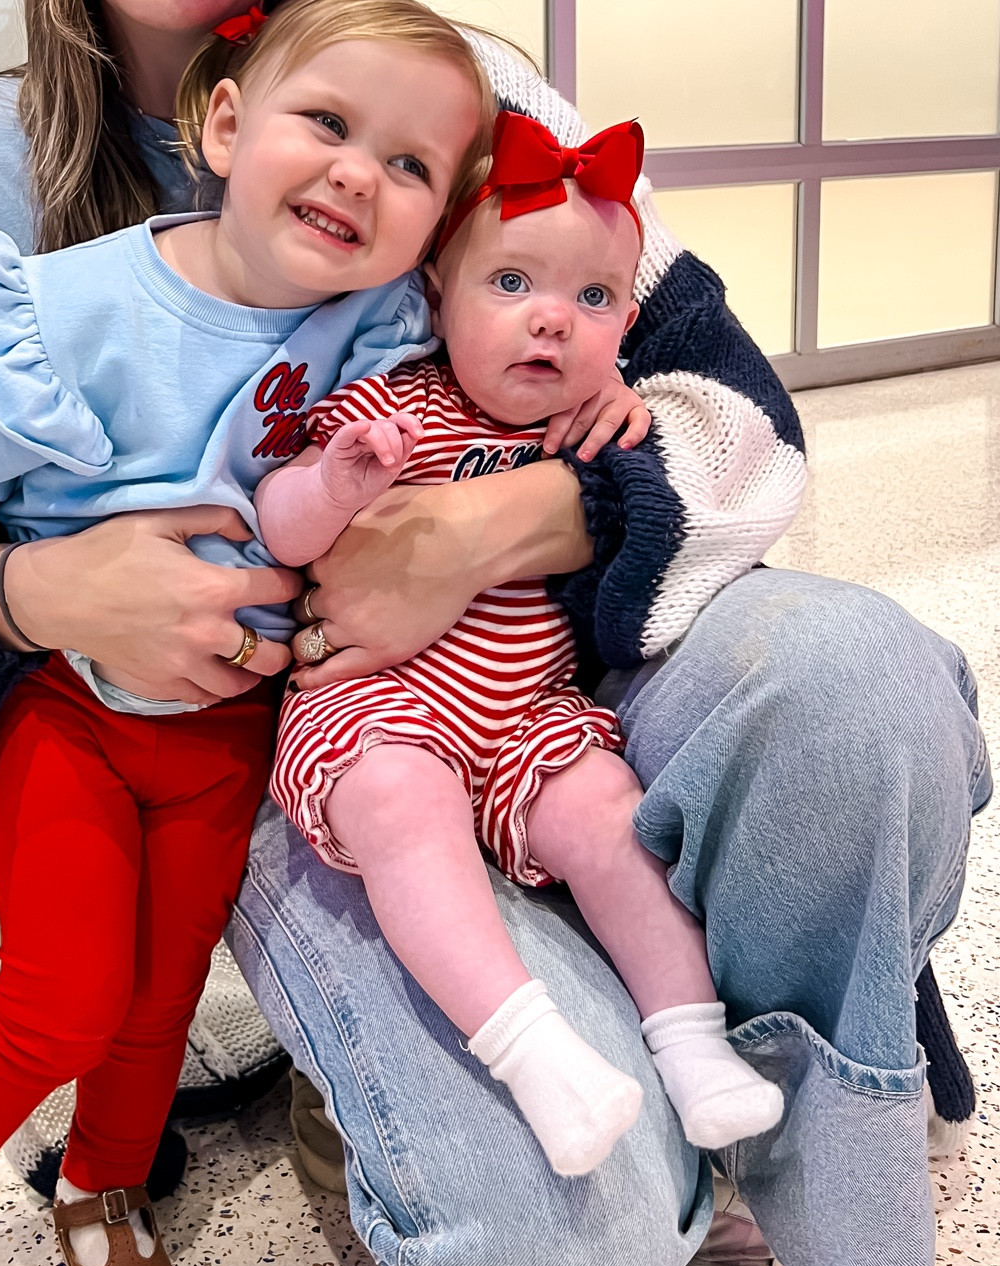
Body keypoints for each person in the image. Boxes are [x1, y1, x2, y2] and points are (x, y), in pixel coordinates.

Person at [0, 0, 988, 1266]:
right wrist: (34, 584)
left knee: (852, 670)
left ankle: (752, 1226)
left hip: (554, 691)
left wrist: (491, 521)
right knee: (553, 1255)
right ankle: (483, 1062)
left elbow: (741, 423)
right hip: (292, 754)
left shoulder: (465, 102)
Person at [0, 0, 493, 1266]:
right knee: (63, 994)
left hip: (226, 739)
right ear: (223, 122)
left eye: (409, 168)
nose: (354, 176)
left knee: (154, 1006)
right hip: (72, 715)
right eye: (326, 124)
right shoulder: (67, 303)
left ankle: (103, 1192)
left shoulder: (377, 340)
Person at [259, 111, 785, 1178]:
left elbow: (731, 459)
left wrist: (625, 410)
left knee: (612, 816)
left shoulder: (598, 420)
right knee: (406, 805)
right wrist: (336, 484)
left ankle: (692, 1044)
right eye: (510, 285)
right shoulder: (388, 405)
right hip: (376, 707)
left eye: (590, 300)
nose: (552, 321)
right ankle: (535, 1051)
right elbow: (279, 522)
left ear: (627, 321)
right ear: (434, 297)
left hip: (526, 711)